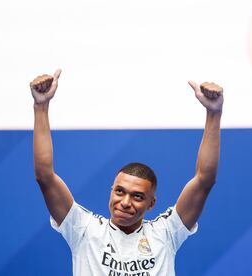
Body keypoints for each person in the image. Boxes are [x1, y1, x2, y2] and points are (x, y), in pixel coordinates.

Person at [30, 69, 223, 276]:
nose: (125, 202)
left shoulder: (166, 233)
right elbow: (45, 177)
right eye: (120, 191)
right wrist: (41, 107)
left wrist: (214, 114)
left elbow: (204, 180)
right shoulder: (83, 229)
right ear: (111, 190)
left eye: (137, 196)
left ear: (151, 204)